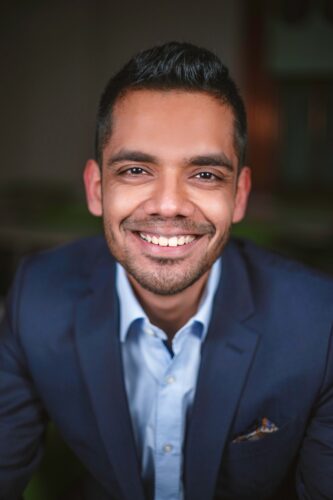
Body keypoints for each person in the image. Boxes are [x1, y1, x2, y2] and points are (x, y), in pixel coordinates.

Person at [0, 41, 332, 500]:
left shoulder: (320, 323)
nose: (170, 205)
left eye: (205, 175)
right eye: (136, 169)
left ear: (239, 196)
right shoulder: (35, 298)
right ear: (97, 190)